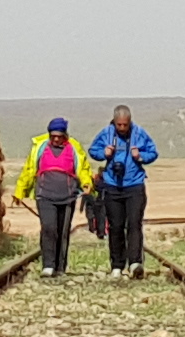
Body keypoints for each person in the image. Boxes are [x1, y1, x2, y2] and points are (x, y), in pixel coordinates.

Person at [91, 107, 160, 276]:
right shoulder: (106, 133)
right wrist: (104, 153)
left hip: (134, 184)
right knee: (115, 226)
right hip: (113, 185)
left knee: (134, 224)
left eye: (125, 125)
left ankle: (135, 262)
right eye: (119, 125)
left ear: (130, 122)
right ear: (114, 122)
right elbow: (93, 150)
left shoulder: (139, 133)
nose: (122, 128)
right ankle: (117, 264)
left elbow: (153, 152)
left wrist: (140, 156)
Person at [18, 114, 86, 276]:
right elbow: (29, 170)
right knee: (49, 228)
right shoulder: (40, 148)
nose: (55, 139)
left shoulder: (73, 148)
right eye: (53, 136)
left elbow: (82, 168)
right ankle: (48, 265)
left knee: (63, 231)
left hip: (68, 196)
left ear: (64, 136)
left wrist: (87, 184)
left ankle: (60, 267)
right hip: (45, 195)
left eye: (59, 136)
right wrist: (20, 191)